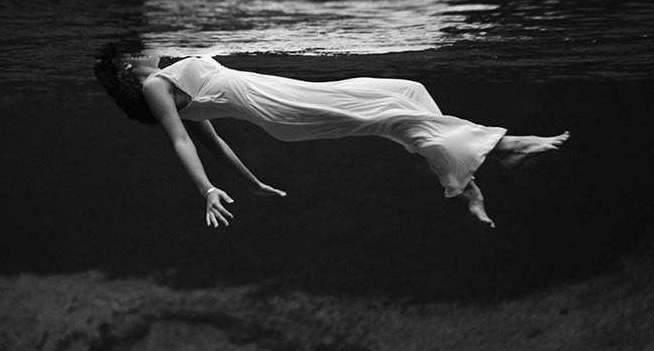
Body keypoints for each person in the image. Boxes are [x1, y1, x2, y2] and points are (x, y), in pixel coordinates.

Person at [94, 45, 569, 229]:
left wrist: (252, 183)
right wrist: (207, 189)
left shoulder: (169, 77)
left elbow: (216, 143)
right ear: (127, 66)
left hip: (288, 97)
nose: (148, 47)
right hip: (282, 109)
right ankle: (505, 148)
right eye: (138, 50)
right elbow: (187, 142)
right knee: (393, 115)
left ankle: (461, 177)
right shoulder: (158, 86)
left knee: (406, 91)